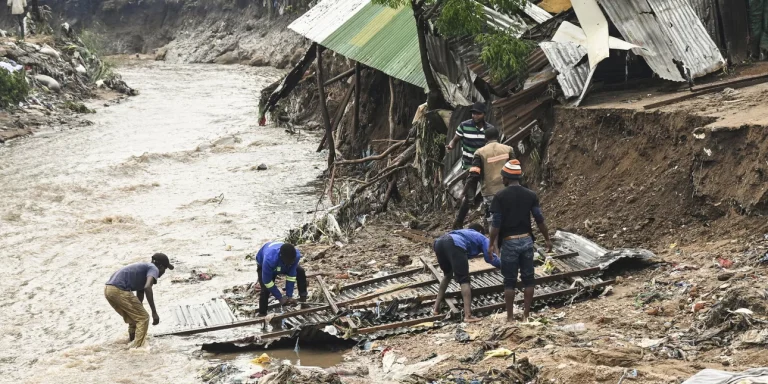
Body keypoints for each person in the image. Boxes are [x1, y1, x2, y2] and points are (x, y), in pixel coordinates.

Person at [489, 159, 552, 323]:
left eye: (502, 177)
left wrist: (491, 244)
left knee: (509, 282)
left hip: (509, 242)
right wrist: (547, 239)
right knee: (528, 279)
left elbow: (496, 224)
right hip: (526, 241)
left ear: (506, 178)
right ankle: (526, 316)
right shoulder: (530, 195)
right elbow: (539, 219)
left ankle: (510, 317)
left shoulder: (500, 196)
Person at [432, 223, 501, 323]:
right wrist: (504, 266)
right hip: (454, 243)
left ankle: (435, 309)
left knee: (447, 275)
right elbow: (490, 257)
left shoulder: (463, 233)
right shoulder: (481, 237)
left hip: (438, 243)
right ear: (480, 231)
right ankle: (468, 315)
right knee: (464, 280)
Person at [104, 253, 174, 348]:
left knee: (135, 317)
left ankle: (131, 342)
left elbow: (140, 291)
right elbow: (147, 287)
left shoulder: (144, 268)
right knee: (143, 318)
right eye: (164, 269)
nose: (163, 273)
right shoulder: (153, 268)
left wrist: (139, 307)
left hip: (109, 290)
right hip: (119, 290)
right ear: (160, 266)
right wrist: (154, 312)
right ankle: (137, 349)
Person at [455, 126, 515, 227]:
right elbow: (515, 170)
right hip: (507, 190)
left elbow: (473, 176)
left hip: (490, 191)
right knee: (509, 217)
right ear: (498, 136)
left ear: (485, 138)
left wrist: (462, 193)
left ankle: (494, 241)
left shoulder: (479, 153)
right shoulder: (508, 149)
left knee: (493, 221)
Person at [255, 241, 308, 316]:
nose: (290, 263)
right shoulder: (269, 259)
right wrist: (280, 297)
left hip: (282, 265)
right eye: (288, 262)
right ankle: (262, 314)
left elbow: (291, 276)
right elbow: (267, 281)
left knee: (300, 272)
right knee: (265, 289)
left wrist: (289, 296)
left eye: (292, 262)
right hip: (265, 264)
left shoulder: (296, 256)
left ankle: (304, 302)